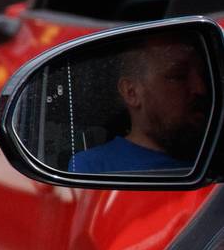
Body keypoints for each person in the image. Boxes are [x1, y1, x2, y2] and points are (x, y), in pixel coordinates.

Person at [70, 34, 209, 174]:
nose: (201, 88)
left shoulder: (211, 153)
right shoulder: (92, 167)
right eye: (178, 76)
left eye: (204, 75)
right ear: (131, 92)